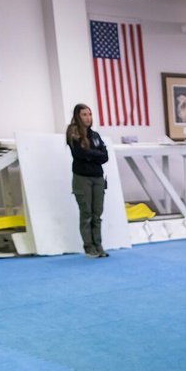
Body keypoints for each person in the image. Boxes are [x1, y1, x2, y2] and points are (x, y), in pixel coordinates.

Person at [66, 103, 109, 258]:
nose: (88, 117)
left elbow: (105, 156)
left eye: (89, 114)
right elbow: (79, 153)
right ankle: (88, 247)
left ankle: (99, 245)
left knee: (97, 213)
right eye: (84, 114)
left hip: (98, 177)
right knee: (87, 213)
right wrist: (94, 154)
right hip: (82, 178)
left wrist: (92, 154)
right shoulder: (73, 132)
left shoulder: (95, 136)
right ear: (78, 116)